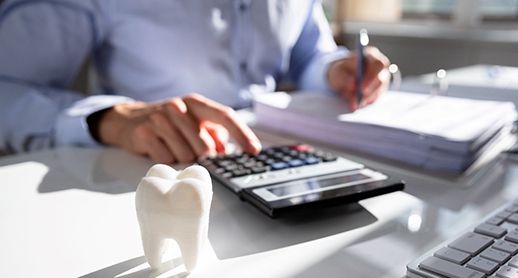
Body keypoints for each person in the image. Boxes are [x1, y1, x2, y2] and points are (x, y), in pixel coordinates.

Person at [0, 0, 391, 163]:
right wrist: (109, 118)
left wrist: (335, 70)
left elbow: (307, 56)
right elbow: (7, 87)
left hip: (281, 161)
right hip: (148, 169)